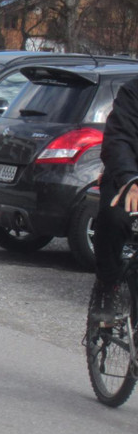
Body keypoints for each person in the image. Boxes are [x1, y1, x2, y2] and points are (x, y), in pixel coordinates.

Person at [90, 77, 138, 324]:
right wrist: (130, 179)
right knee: (114, 217)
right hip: (126, 175)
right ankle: (108, 286)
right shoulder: (133, 91)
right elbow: (118, 139)